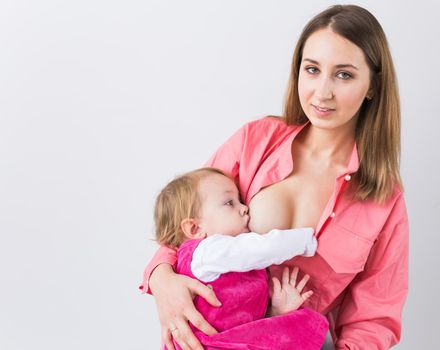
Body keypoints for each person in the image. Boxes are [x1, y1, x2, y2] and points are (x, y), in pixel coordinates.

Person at [141, 4, 409, 350]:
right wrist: (162, 279)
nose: (322, 92)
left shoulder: (384, 197)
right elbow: (185, 221)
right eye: (312, 70)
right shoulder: (255, 140)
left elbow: (374, 319)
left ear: (372, 84)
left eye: (344, 74)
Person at [153, 167, 328, 349]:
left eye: (240, 201)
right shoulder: (207, 252)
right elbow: (262, 248)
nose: (244, 208)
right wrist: (306, 241)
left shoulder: (228, 263)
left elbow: (239, 328)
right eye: (230, 203)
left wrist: (275, 311)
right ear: (195, 228)